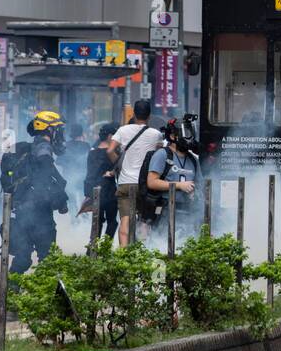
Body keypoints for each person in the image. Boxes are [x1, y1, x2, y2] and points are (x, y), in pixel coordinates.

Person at [8, 111, 71, 276]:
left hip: (23, 210)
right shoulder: (43, 149)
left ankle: (11, 293)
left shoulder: (32, 148)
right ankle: (43, 295)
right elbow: (45, 177)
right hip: (39, 212)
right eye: (57, 129)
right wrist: (57, 198)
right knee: (47, 258)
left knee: (23, 257)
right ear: (49, 129)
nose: (60, 133)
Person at [109, 99, 162, 246]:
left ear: (133, 114)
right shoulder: (156, 134)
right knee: (144, 220)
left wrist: (118, 166)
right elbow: (158, 156)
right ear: (149, 116)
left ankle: (124, 257)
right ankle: (142, 254)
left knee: (125, 220)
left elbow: (110, 150)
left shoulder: (122, 131)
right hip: (146, 183)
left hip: (126, 182)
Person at [146, 117, 200, 242]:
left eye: (190, 133)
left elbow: (200, 185)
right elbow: (152, 182)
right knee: (163, 246)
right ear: (172, 136)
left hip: (188, 213)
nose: (189, 138)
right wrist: (179, 185)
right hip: (166, 211)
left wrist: (195, 193)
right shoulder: (162, 154)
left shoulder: (193, 160)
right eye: (186, 133)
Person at [84, 124, 120, 239]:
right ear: (110, 136)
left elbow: (89, 174)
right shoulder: (112, 153)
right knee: (112, 222)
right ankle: (105, 248)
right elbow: (119, 169)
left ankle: (92, 250)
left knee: (97, 221)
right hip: (109, 191)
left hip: (94, 190)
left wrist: (87, 193)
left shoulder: (92, 152)